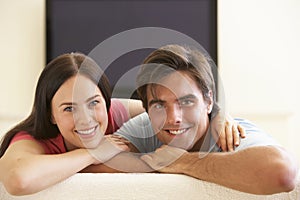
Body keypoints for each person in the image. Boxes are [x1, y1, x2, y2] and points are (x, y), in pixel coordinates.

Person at [0, 52, 242, 196]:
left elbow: (173, 110)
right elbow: (18, 180)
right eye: (69, 108)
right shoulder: (30, 139)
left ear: (106, 102)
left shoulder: (117, 111)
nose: (86, 118)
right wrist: (92, 153)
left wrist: (219, 116)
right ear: (50, 114)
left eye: (94, 103)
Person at [113, 44, 299, 194]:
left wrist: (183, 162)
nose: (174, 118)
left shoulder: (232, 135)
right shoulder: (147, 126)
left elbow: (283, 173)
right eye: (160, 105)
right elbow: (95, 160)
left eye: (186, 102)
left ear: (209, 101)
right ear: (147, 109)